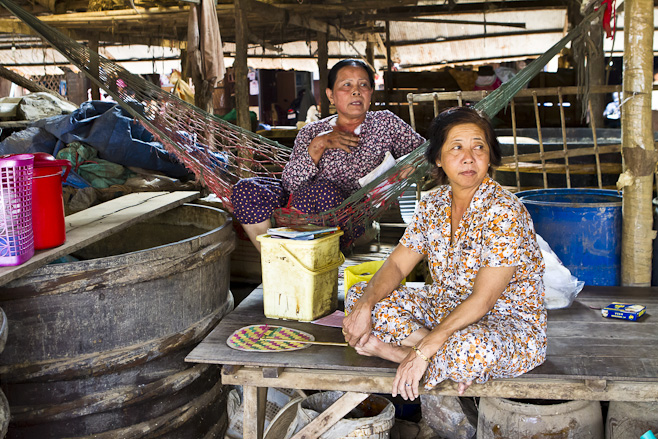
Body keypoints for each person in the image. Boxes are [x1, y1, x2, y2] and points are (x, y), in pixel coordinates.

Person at [342, 106, 546, 401]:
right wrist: (364, 307)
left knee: (470, 348)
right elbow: (398, 265)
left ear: (490, 156)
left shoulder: (505, 211)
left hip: (505, 322)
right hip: (446, 310)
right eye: (456, 147)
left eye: (479, 147)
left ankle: (399, 354)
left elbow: (484, 299)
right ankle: (445, 361)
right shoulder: (432, 204)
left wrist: (424, 349)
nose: (469, 157)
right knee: (361, 296)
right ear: (438, 158)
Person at [232, 59, 425, 252]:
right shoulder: (311, 132)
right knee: (245, 189)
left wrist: (411, 165)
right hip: (297, 210)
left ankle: (308, 255)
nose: (356, 91)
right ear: (330, 95)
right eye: (346, 85)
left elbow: (425, 152)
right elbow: (289, 185)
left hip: (351, 217)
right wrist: (318, 146)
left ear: (370, 93)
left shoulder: (385, 124)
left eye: (363, 85)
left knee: (321, 192)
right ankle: (272, 257)